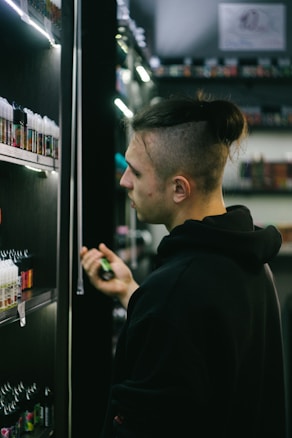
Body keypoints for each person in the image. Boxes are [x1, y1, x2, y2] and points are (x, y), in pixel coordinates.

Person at [80, 91, 287, 438]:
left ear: (179, 188)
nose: (124, 181)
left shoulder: (175, 292)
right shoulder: (249, 262)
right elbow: (205, 341)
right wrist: (132, 292)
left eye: (135, 172)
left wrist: (151, 300)